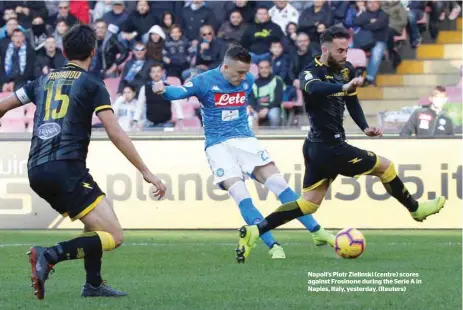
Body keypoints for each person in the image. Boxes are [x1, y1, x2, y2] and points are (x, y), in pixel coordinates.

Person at [235, 25, 446, 263]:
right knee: (385, 167)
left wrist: (364, 126)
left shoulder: (346, 69)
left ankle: (256, 230)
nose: (345, 55)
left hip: (320, 147)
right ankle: (415, 208)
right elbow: (314, 88)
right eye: (340, 50)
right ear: (325, 49)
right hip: (328, 148)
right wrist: (342, 87)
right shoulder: (309, 72)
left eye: (346, 49)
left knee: (308, 204)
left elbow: (352, 101)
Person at [0, 24, 166, 299]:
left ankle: (93, 284)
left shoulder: (41, 81)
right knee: (114, 235)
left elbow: (3, 106)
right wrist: (146, 171)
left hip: (36, 170)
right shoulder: (92, 84)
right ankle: (49, 254)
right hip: (66, 168)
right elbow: (114, 131)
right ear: (93, 51)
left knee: (94, 224)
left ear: (64, 51)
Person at [153, 45, 335, 260]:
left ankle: (317, 232)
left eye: (246, 71)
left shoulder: (248, 80)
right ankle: (273, 245)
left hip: (246, 141)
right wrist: (163, 89)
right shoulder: (204, 81)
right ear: (225, 66)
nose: (243, 77)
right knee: (241, 194)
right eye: (238, 72)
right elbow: (179, 92)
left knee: (279, 184)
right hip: (218, 146)